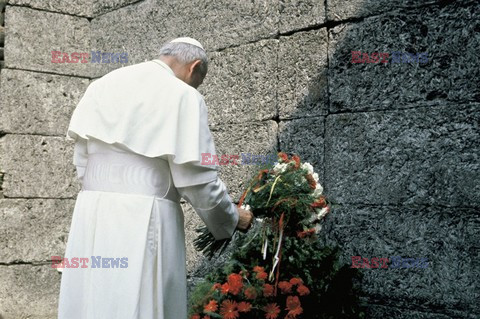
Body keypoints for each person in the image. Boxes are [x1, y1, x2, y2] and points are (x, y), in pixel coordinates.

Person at [58, 37, 254, 319]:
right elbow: (197, 179)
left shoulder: (103, 83)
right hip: (144, 216)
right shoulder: (183, 95)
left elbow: (82, 161)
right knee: (141, 301)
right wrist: (231, 217)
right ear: (194, 67)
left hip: (92, 213)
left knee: (92, 299)